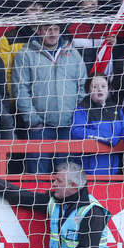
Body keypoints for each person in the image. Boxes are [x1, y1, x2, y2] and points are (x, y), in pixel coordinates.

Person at [13, 23, 86, 174]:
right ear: (39, 31)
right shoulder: (26, 54)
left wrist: (74, 115)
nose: (52, 33)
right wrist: (33, 119)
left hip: (67, 127)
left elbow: (82, 86)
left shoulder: (73, 53)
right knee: (38, 177)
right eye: (48, 29)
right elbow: (20, 89)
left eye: (56, 29)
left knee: (65, 177)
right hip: (39, 127)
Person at [70, 74, 124, 175]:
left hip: (113, 171)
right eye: (94, 86)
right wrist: (107, 138)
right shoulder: (82, 109)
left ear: (108, 89)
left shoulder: (116, 108)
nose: (99, 89)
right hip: (89, 171)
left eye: (103, 86)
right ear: (88, 90)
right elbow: (77, 131)